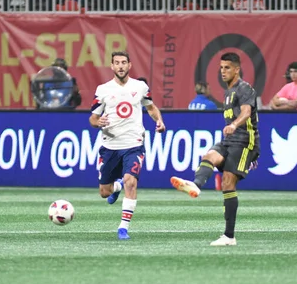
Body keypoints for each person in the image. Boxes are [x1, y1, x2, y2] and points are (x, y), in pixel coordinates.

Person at [171, 52, 260, 246]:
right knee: (209, 155)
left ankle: (229, 236)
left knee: (228, 183)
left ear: (237, 69)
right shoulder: (228, 91)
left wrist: (235, 125)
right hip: (230, 140)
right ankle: (196, 184)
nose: (223, 71)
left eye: (227, 67)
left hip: (245, 141)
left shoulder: (245, 88)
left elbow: (246, 112)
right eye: (221, 68)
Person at [89, 51, 166, 240]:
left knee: (131, 182)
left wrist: (159, 120)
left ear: (130, 65)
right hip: (110, 146)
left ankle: (123, 228)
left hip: (134, 144)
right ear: (112, 66)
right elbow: (93, 117)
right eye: (117, 63)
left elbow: (151, 107)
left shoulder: (140, 87)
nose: (121, 66)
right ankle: (116, 186)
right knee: (103, 192)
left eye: (124, 62)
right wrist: (97, 123)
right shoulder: (103, 89)